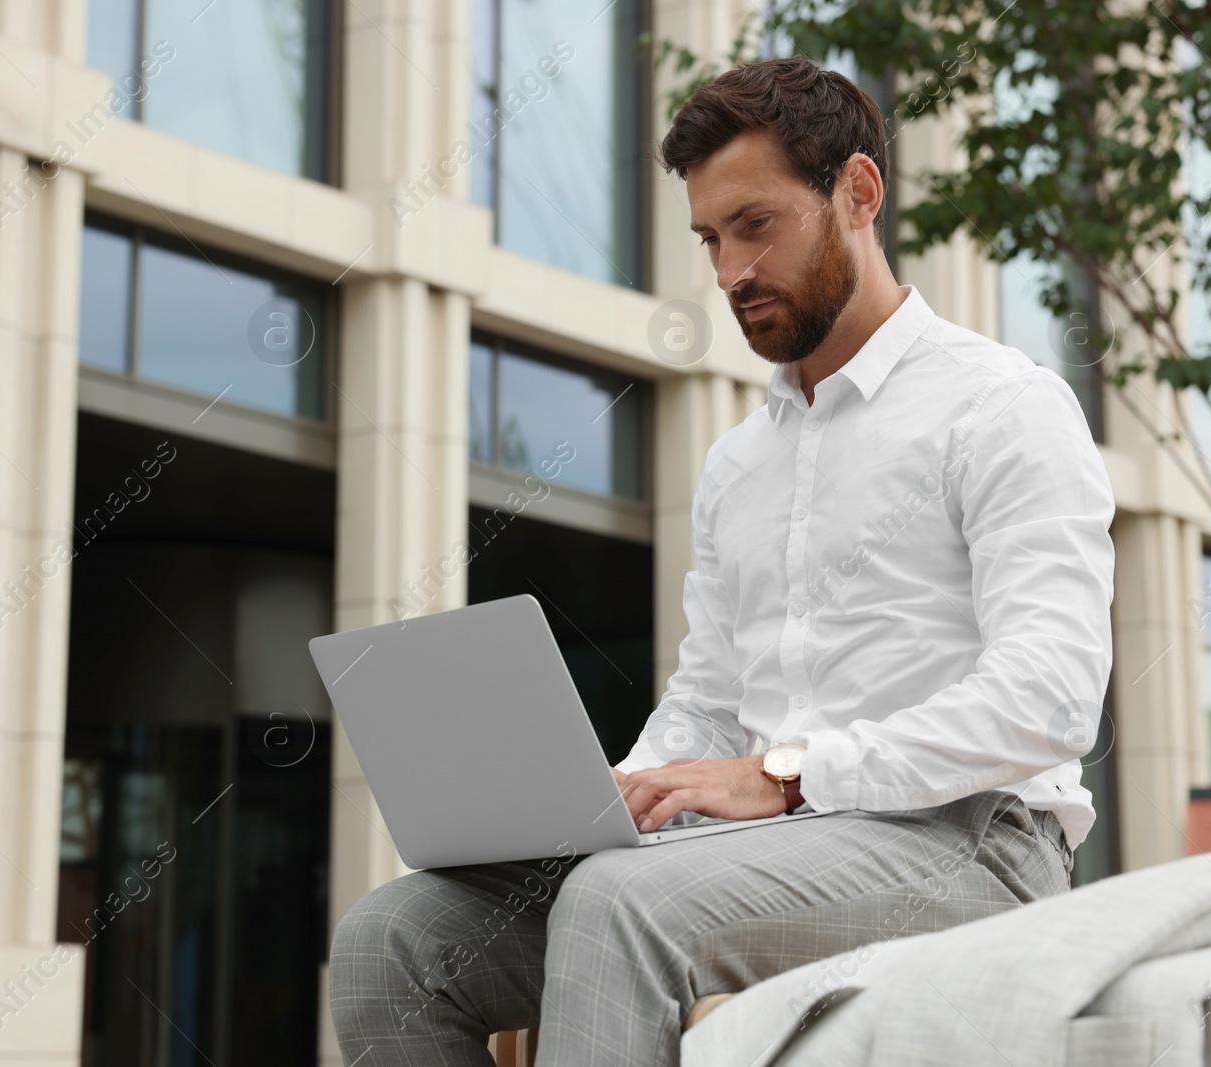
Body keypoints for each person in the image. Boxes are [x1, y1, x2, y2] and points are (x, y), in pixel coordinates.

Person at [328, 55, 1114, 1067]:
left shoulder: (1001, 406)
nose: (728, 271)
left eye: (755, 225)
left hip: (972, 845)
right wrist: (626, 790)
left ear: (857, 194)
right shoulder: (740, 460)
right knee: (391, 938)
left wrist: (784, 776)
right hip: (761, 852)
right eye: (709, 237)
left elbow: (1047, 698)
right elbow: (708, 697)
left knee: (621, 904)